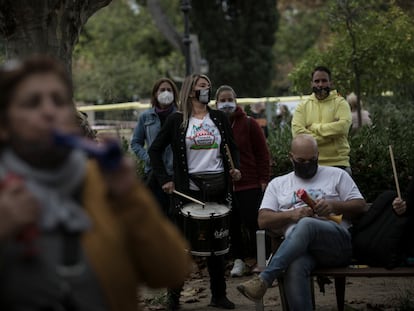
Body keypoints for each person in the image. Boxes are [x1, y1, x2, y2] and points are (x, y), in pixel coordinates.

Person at [0, 55, 192, 311]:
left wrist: (130, 198)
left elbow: (172, 270)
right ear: (4, 124)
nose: (49, 111)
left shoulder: (103, 183)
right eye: (32, 103)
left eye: (59, 101)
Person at [237, 134, 366, 311]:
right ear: (291, 157)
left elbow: (360, 205)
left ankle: (265, 279)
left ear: (318, 155)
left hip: (336, 246)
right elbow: (263, 220)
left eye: (312, 160)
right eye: (301, 160)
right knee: (295, 265)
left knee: (306, 224)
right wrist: (292, 215)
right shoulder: (278, 184)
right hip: (298, 252)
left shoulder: (337, 175)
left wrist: (333, 205)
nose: (307, 164)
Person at [149, 74, 241, 310]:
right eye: (202, 87)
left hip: (218, 189)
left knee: (217, 246)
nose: (207, 90)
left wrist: (235, 168)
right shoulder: (176, 120)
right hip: (188, 192)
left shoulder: (219, 117)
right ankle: (173, 298)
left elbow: (232, 147)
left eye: (208, 87)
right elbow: (155, 150)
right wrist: (165, 179)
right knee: (180, 246)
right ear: (190, 91)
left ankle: (219, 295)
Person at [215, 85, 270, 277]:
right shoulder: (213, 126)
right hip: (225, 186)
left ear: (236, 101)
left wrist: (263, 179)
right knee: (232, 225)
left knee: (253, 223)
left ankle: (261, 259)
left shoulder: (249, 124)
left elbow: (262, 154)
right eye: (222, 100)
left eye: (230, 99)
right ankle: (239, 260)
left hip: (250, 184)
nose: (226, 103)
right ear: (216, 103)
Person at [130, 78, 179, 216]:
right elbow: (135, 142)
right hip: (154, 174)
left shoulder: (180, 115)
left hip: (175, 174)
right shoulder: (146, 116)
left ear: (174, 94)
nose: (166, 93)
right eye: (162, 90)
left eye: (169, 90)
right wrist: (148, 157)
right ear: (155, 94)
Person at [291, 66, 352, 172]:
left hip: (339, 164)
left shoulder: (340, 103)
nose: (320, 84)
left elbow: (342, 128)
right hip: (310, 165)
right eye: (317, 81)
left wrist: (314, 127)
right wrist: (332, 136)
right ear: (311, 84)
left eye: (324, 81)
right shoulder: (302, 106)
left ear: (331, 83)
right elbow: (298, 134)